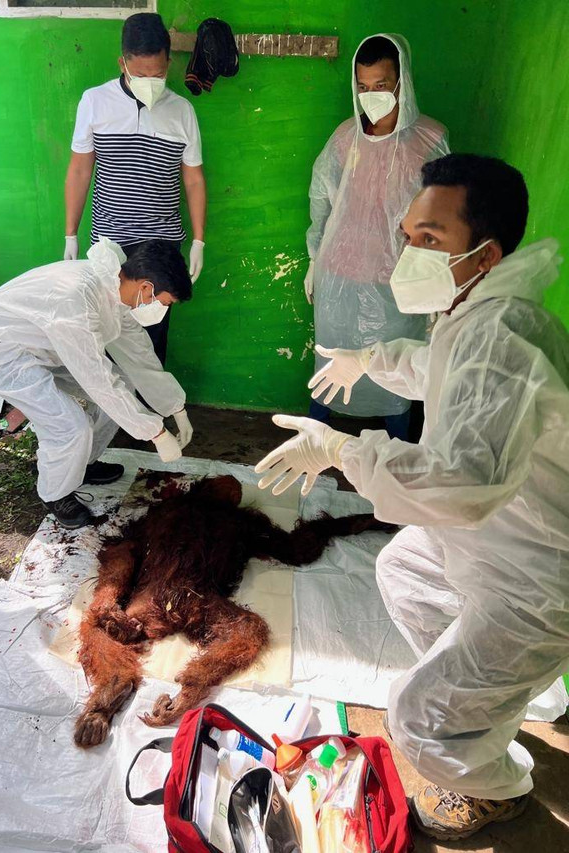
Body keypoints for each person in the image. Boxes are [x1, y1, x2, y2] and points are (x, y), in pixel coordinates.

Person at [256, 154, 569, 840]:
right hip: (510, 531)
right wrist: (369, 359)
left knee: (415, 721)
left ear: (485, 254)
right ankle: (506, 693)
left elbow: (459, 485)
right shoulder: (479, 311)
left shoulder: (502, 336)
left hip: (542, 571)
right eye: (408, 235)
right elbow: (440, 370)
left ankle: (500, 784)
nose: (409, 252)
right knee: (404, 567)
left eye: (430, 238)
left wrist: (344, 449)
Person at [0, 238, 194, 530]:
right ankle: (55, 494)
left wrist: (176, 408)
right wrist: (156, 432)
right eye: (164, 303)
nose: (161, 309)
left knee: (123, 386)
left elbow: (139, 355)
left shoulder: (115, 289)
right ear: (147, 288)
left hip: (42, 346)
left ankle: (82, 464)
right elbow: (97, 380)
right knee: (70, 425)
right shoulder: (77, 299)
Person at [304, 34, 449, 439]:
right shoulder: (345, 138)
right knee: (332, 363)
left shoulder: (430, 141)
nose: (371, 96)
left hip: (398, 285)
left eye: (381, 86)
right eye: (363, 87)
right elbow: (321, 201)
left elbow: (442, 218)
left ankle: (399, 451)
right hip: (340, 277)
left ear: (402, 82)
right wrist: (315, 259)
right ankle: (311, 440)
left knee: (395, 370)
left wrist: (436, 287)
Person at [64, 12, 206, 365]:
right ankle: (111, 416)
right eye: (140, 74)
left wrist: (199, 240)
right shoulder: (94, 102)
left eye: (157, 74)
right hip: (110, 242)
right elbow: (81, 170)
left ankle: (148, 416)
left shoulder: (183, 111)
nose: (149, 82)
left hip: (161, 245)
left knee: (152, 338)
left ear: (169, 63)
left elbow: (193, 178)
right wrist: (70, 234)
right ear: (123, 63)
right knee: (107, 333)